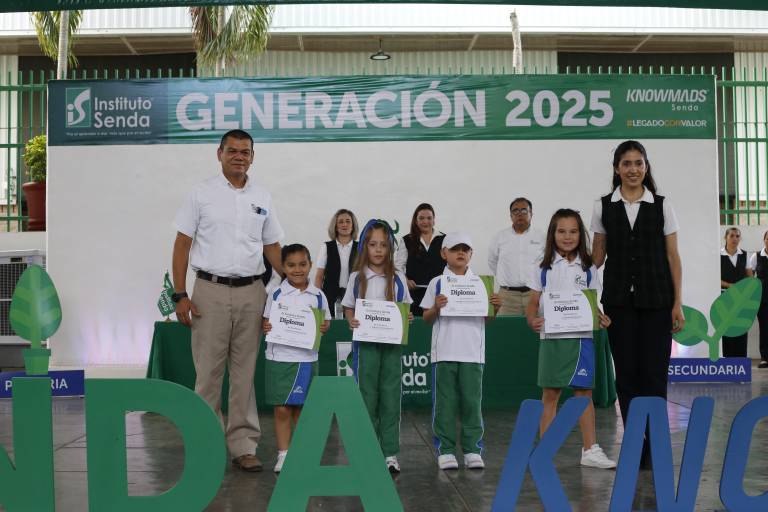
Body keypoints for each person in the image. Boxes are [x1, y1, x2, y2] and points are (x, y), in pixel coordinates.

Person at [172, 129, 284, 472]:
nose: (239, 156)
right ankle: (205, 444)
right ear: (219, 154)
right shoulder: (200, 193)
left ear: (252, 156)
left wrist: (294, 288)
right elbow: (181, 245)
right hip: (210, 291)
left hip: (253, 292)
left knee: (244, 373)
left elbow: (273, 246)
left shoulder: (262, 195)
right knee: (208, 374)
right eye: (232, 150)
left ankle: (243, 446)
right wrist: (180, 294)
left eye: (245, 151)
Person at [591, 140, 684, 468]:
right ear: (616, 169)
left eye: (638, 163)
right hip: (618, 303)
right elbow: (596, 260)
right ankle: (636, 442)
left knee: (654, 374)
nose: (633, 169)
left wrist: (678, 304)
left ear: (646, 167)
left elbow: (673, 257)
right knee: (627, 376)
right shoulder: (603, 206)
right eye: (626, 163)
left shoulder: (662, 205)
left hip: (658, 301)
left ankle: (655, 442)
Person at [526, 209, 615, 469]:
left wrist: (602, 317)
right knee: (550, 394)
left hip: (582, 339)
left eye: (573, 231)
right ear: (553, 234)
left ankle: (590, 450)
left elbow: (592, 304)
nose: (567, 236)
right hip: (552, 338)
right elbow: (532, 303)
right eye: (562, 231)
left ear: (581, 235)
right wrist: (531, 319)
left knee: (583, 393)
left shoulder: (589, 269)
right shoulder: (541, 268)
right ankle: (545, 451)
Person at [420, 232, 501, 470]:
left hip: (473, 353)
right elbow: (426, 317)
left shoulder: (481, 283)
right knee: (445, 403)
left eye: (466, 249)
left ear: (471, 254)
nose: (461, 253)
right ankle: (445, 450)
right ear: (444, 253)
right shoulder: (437, 282)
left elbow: (487, 320)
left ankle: (472, 449)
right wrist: (436, 307)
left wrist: (496, 308)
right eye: (455, 249)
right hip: (444, 352)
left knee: (472, 403)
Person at [342, 219, 413, 473]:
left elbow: (406, 309)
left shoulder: (398, 279)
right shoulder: (356, 277)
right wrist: (352, 320)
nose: (379, 249)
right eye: (373, 244)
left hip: (392, 347)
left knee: (391, 397)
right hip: (365, 346)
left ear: (390, 248)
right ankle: (368, 451)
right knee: (366, 396)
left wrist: (407, 317)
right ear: (364, 247)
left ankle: (390, 453)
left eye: (384, 244)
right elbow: (348, 306)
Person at [262, 244, 331, 473]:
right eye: (291, 265)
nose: (297, 270)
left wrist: (324, 326)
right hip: (279, 357)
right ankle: (283, 454)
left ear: (310, 265)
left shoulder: (319, 296)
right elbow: (266, 322)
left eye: (302, 264)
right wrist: (267, 325)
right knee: (281, 409)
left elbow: (326, 322)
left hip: (306, 359)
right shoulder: (276, 293)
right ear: (283, 267)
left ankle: (301, 454)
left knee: (301, 409)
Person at [488, 197, 545, 316]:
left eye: (524, 210)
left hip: (535, 295)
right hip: (507, 297)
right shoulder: (500, 237)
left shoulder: (542, 237)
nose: (520, 214)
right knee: (507, 332)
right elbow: (492, 261)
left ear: (531, 214)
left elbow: (549, 262)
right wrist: (507, 277)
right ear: (510, 215)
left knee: (536, 332)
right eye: (515, 211)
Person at [394, 203, 446, 316]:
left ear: (434, 220)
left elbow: (450, 265)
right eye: (421, 218)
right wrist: (405, 280)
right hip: (414, 295)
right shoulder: (407, 240)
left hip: (439, 295)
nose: (425, 221)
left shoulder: (444, 239)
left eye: (429, 218)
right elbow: (398, 266)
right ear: (416, 220)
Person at [314, 209, 359, 318]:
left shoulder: (360, 248)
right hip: (329, 297)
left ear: (353, 226)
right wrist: (317, 299)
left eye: (348, 221)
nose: (345, 224)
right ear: (335, 226)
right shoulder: (326, 247)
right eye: (341, 222)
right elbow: (319, 276)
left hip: (354, 297)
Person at [721, 227, 752, 358]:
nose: (735, 239)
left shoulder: (746, 255)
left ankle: (740, 363)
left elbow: (750, 278)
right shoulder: (718, 255)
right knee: (726, 329)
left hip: (742, 298)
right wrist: (730, 285)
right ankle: (728, 362)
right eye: (732, 236)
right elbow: (713, 278)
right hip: (724, 298)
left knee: (741, 329)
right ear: (725, 237)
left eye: (737, 236)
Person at [748, 231, 768, 368]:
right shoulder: (756, 256)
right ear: (764, 239)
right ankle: (765, 358)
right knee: (765, 328)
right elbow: (750, 280)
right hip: (763, 299)